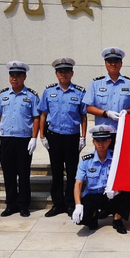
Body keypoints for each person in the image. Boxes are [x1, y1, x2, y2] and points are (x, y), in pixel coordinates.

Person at [38, 58, 88, 218]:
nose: (64, 74)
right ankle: (57, 204)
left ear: (72, 73)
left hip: (72, 137)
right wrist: (41, 135)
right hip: (54, 136)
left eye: (67, 71)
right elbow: (43, 114)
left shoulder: (80, 92)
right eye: (60, 72)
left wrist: (83, 137)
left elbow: (83, 116)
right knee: (57, 170)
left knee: (73, 171)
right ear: (56, 74)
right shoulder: (49, 91)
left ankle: (70, 203)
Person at [0, 61, 41, 218]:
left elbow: (36, 118)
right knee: (9, 173)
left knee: (23, 173)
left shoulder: (32, 96)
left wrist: (34, 138)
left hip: (23, 139)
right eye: (12, 76)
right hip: (6, 139)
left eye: (18, 76)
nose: (14, 79)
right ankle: (11, 204)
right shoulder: (2, 95)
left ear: (24, 77)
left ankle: (23, 205)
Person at [72, 125, 130, 234]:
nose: (101, 143)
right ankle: (94, 215)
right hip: (94, 195)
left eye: (104, 140)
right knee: (82, 219)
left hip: (113, 194)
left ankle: (117, 218)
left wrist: (117, 190)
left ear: (109, 141)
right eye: (97, 140)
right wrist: (78, 206)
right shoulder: (86, 160)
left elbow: (127, 178)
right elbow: (78, 184)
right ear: (93, 142)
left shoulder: (117, 158)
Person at [82, 47, 130, 149]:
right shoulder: (96, 83)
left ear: (121, 64)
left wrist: (127, 112)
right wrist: (106, 113)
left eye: (116, 61)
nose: (113, 64)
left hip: (123, 131)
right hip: (102, 132)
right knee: (103, 162)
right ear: (105, 64)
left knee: (122, 162)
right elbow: (88, 108)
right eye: (110, 62)